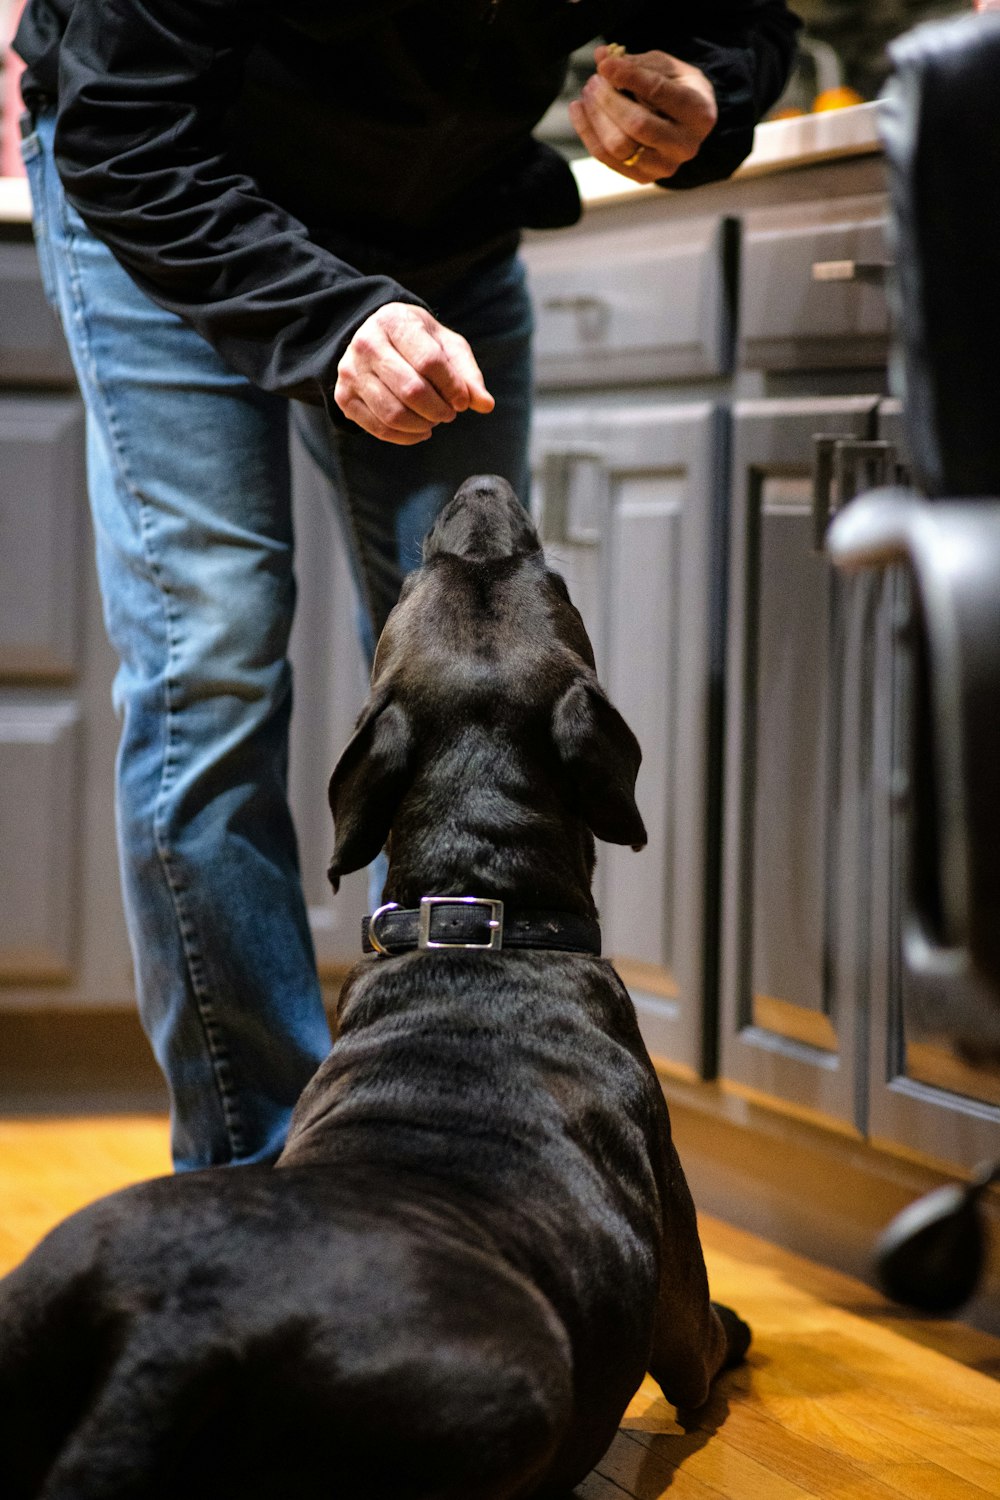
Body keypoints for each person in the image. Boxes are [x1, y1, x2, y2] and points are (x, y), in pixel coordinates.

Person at [13, 0, 800, 1173]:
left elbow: (732, 15)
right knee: (210, 657)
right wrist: (335, 318)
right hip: (167, 189)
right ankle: (268, 1178)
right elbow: (125, 133)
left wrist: (712, 92)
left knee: (479, 683)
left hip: (446, 228)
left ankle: (436, 1148)